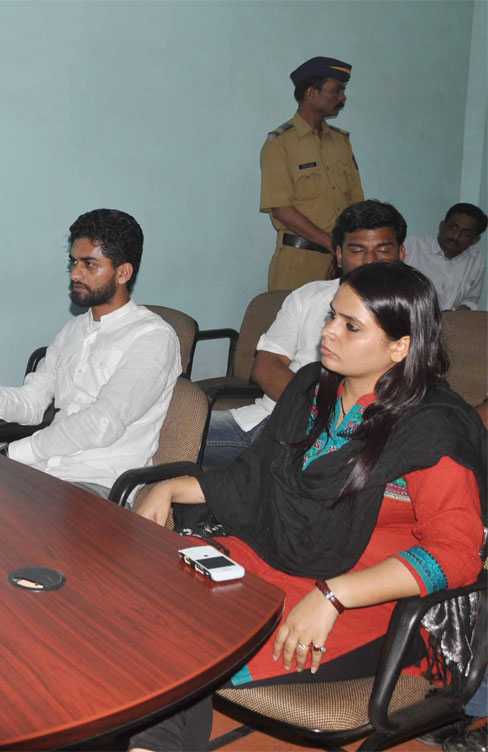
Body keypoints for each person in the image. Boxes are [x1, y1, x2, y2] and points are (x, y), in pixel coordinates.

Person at [130, 262, 486, 751]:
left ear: (400, 347)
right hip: (274, 554)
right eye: (331, 316)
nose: (328, 333)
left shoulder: (431, 430)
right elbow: (254, 477)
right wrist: (172, 486)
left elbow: (456, 554)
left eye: (350, 326)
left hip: (366, 600)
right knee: (141, 603)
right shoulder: (313, 389)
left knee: (190, 653)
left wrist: (334, 595)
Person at [0, 209, 180, 497]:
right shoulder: (72, 331)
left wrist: (15, 452)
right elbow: (33, 403)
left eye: (89, 264)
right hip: (47, 474)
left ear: (123, 272)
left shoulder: (153, 337)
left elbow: (101, 424)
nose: (75, 274)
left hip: (99, 487)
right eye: (73, 262)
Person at [203, 200, 407, 466]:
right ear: (340, 255)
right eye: (357, 250)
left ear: (401, 254)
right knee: (165, 431)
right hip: (272, 418)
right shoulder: (309, 296)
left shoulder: (413, 311)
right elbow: (267, 366)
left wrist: (331, 422)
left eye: (383, 250)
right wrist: (312, 412)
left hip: (351, 438)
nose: (370, 261)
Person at [262, 56, 364, 291]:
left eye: (344, 90)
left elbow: (356, 207)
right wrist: (334, 246)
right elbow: (282, 210)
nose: (343, 98)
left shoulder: (341, 142)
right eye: (337, 90)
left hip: (340, 262)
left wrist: (344, 254)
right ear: (311, 93)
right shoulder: (280, 143)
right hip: (299, 262)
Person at [405, 203, 485, 311]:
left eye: (466, 233)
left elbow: (471, 299)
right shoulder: (412, 247)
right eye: (453, 227)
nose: (456, 236)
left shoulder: (476, 260)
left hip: (451, 324)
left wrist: (461, 313)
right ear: (442, 226)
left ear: (475, 239)